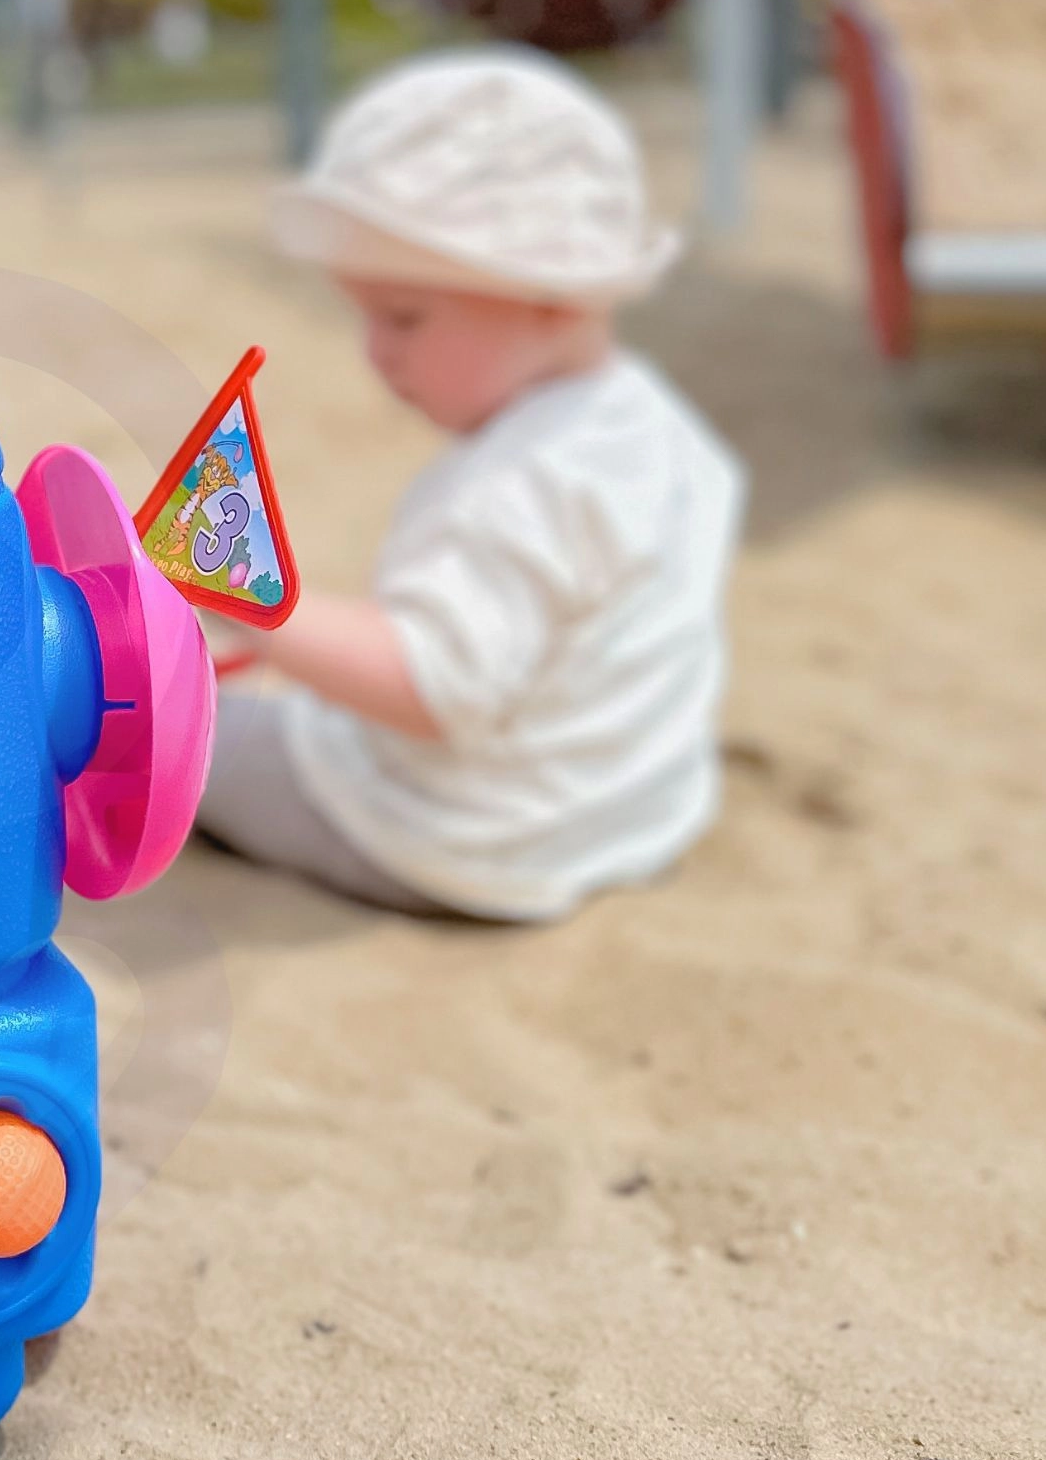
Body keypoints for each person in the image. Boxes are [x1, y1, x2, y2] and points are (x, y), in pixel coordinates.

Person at [199, 48, 744, 922]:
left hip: (461, 842)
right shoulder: (666, 434)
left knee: (194, 733)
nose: (374, 351)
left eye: (404, 318)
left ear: (554, 296)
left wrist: (247, 602)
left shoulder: (520, 485)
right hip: (626, 813)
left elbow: (431, 689)